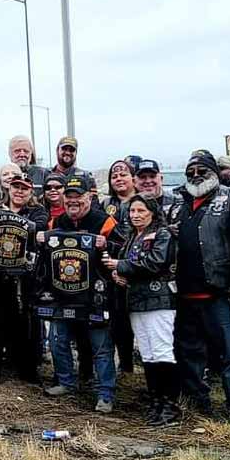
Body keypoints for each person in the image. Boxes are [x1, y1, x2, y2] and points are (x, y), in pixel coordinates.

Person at [170, 150, 230, 420]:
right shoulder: (181, 205)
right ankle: (197, 401)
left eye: (202, 171)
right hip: (186, 294)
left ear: (216, 172)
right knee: (189, 351)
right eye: (191, 172)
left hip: (225, 293)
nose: (196, 176)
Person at [38, 176, 120, 412]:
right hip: (62, 294)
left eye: (78, 196)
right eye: (69, 196)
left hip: (95, 296)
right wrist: (40, 238)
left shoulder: (105, 222)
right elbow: (43, 258)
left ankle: (105, 393)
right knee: (57, 340)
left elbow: (123, 249)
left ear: (89, 197)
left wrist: (108, 246)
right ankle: (65, 381)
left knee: (101, 347)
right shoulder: (56, 222)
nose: (73, 201)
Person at [102, 195, 181, 425]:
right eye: (132, 211)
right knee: (147, 352)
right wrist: (120, 274)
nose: (135, 215)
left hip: (159, 300)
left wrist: (120, 265)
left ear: (152, 213)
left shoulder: (163, 234)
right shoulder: (132, 237)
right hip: (136, 300)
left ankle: (170, 405)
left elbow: (155, 263)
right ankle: (156, 400)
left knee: (162, 350)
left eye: (141, 211)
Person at [0, 172, 47, 387]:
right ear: (9, 188)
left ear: (31, 191)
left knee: (24, 323)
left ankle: (27, 370)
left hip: (24, 276)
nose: (19, 191)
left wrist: (4, 218)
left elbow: (37, 231)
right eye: (15, 186)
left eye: (24, 188)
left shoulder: (38, 212)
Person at [103, 159, 137, 373]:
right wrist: (113, 269)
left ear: (133, 178)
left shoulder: (144, 202)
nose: (118, 178)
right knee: (118, 321)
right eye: (114, 176)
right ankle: (126, 365)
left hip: (139, 267)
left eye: (123, 174)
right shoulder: (106, 204)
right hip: (113, 271)